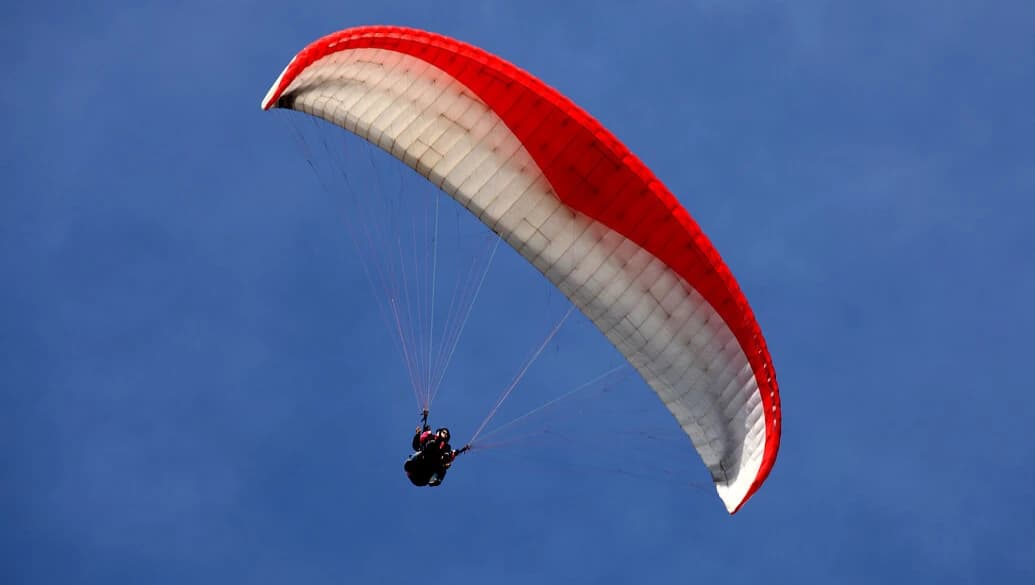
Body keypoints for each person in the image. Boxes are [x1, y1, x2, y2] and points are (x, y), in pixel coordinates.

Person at [404, 412, 469, 487]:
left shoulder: (446, 448)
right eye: (444, 432)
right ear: (439, 432)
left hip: (425, 476)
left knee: (444, 463)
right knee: (425, 448)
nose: (445, 434)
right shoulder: (430, 437)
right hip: (416, 468)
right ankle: (410, 463)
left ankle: (435, 480)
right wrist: (418, 434)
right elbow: (417, 445)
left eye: (446, 434)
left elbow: (452, 454)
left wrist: (462, 450)